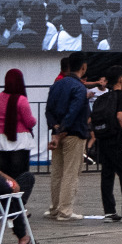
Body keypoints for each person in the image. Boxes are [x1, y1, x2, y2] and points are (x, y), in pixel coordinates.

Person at [89, 65, 122, 222]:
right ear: (120, 79)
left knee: (107, 174)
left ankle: (109, 212)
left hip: (103, 139)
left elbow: (91, 119)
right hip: (117, 139)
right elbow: (120, 116)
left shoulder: (102, 97)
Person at [0, 68, 37, 233]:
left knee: (5, 175)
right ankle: (18, 208)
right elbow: (29, 121)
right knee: (21, 176)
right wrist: (34, 120)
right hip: (19, 140)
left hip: (1, 139)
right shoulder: (21, 100)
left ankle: (5, 206)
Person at [45, 54, 90, 221]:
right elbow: (74, 112)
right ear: (83, 67)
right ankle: (65, 210)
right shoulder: (79, 88)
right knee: (71, 172)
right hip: (74, 133)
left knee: (57, 172)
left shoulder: (57, 85)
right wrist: (63, 129)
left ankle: (54, 208)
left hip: (57, 133)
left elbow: (49, 110)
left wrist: (56, 130)